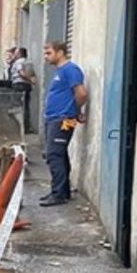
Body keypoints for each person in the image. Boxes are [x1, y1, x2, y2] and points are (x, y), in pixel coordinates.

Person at [40, 41, 88, 207]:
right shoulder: (60, 71)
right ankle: (63, 191)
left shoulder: (70, 70)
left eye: (49, 53)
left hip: (63, 119)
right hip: (55, 118)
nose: (46, 57)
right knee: (59, 153)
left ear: (60, 53)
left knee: (53, 154)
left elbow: (81, 93)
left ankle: (58, 194)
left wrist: (74, 111)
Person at [8, 46, 38, 133]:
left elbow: (21, 73)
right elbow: (32, 74)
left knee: (18, 106)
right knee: (26, 106)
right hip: (26, 86)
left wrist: (29, 80)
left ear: (20, 54)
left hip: (19, 85)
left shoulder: (19, 62)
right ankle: (26, 127)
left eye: (16, 53)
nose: (15, 54)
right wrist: (32, 81)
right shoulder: (29, 62)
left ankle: (19, 127)